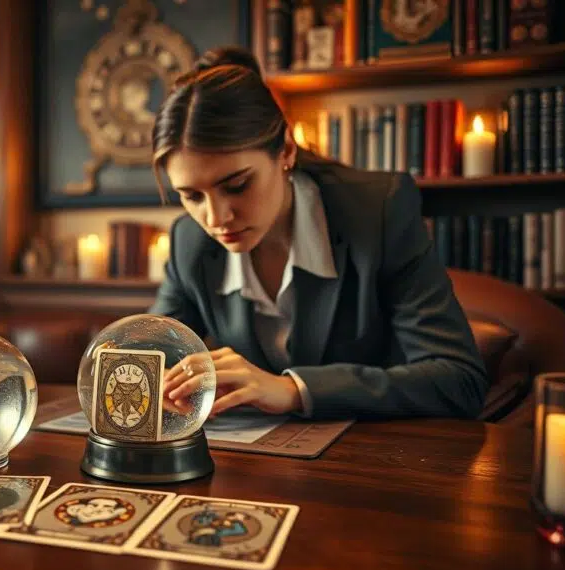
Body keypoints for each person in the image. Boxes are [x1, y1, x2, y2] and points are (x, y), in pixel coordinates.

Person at [150, 46, 487, 421]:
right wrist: (162, 384)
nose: (215, 218)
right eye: (192, 196)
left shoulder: (380, 211)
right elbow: (147, 357)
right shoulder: (188, 241)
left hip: (378, 460)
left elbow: (460, 380)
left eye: (238, 185)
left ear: (286, 152)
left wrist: (294, 389)